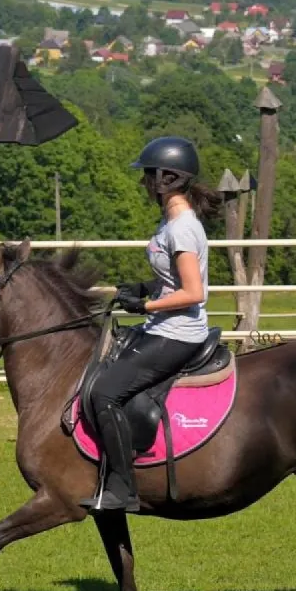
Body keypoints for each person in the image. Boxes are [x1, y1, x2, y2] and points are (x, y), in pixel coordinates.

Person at [81, 136, 221, 513]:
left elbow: (194, 292)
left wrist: (146, 303)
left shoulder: (182, 229)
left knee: (104, 393)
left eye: (147, 175)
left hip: (179, 333)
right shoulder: (169, 222)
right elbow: (174, 278)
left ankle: (123, 489)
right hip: (163, 326)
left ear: (166, 178)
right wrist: (143, 288)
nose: (143, 183)